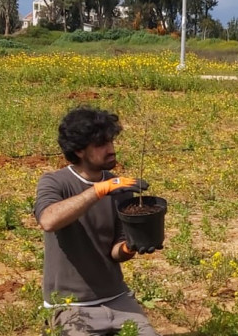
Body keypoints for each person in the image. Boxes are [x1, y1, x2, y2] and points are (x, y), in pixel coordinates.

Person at [34, 107, 160, 336]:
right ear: (80, 150)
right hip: (70, 305)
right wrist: (99, 191)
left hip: (117, 299)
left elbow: (115, 252)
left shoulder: (119, 188)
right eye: (101, 144)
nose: (111, 149)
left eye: (111, 141)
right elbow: (48, 220)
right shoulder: (55, 182)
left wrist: (131, 245)